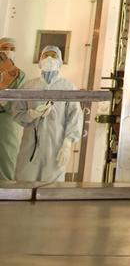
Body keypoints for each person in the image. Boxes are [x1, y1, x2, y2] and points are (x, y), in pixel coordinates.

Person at [14, 44, 83, 183]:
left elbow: (75, 117)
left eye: (54, 56)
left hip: (56, 146)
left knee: (51, 188)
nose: (49, 59)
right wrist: (31, 114)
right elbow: (17, 112)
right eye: (46, 56)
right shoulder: (29, 86)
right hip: (30, 146)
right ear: (40, 60)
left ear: (60, 61)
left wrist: (67, 144)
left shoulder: (68, 87)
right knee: (24, 181)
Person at [0, 37, 27, 180]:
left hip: (8, 121)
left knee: (7, 156)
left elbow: (19, 102)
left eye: (12, 49)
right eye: (4, 48)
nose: (8, 51)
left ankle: (6, 192)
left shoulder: (19, 75)